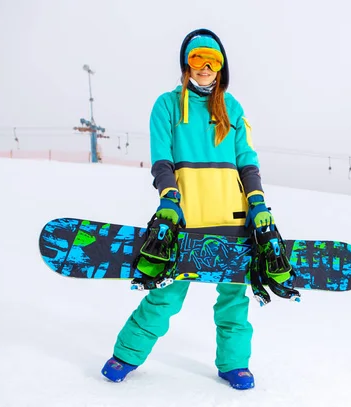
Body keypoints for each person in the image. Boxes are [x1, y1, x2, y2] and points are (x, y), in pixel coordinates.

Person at [100, 28, 285, 390]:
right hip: (185, 216)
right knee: (165, 295)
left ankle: (235, 364)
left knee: (234, 298)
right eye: (198, 59)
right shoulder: (167, 105)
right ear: (187, 63)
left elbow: (247, 160)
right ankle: (126, 354)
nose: (205, 67)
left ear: (221, 68)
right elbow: (162, 158)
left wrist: (258, 203)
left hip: (233, 216)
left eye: (212, 61)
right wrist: (169, 198)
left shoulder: (232, 108)